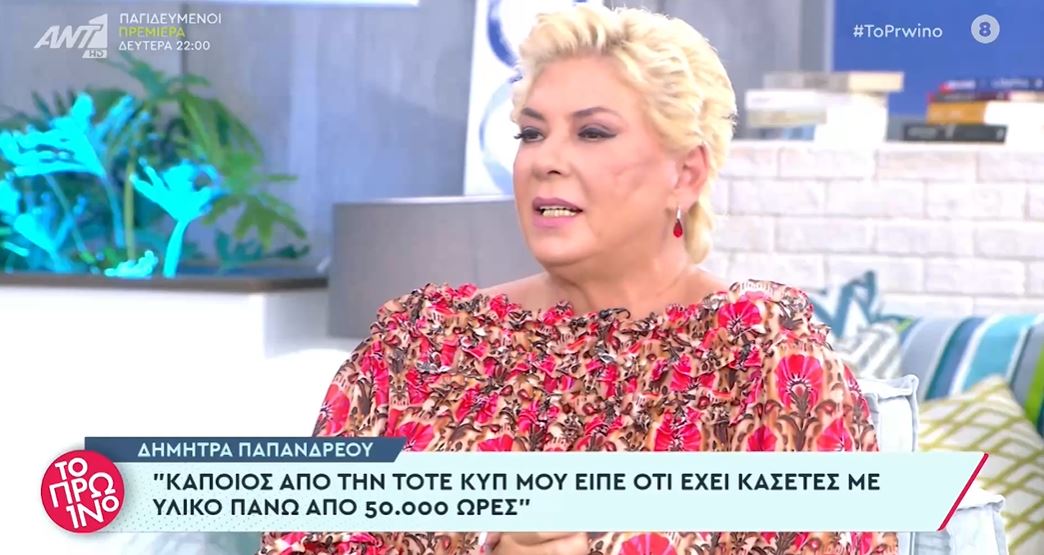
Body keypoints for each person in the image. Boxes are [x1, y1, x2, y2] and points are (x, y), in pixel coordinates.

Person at [260, 4, 897, 554]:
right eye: (531, 133)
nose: (546, 159)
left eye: (592, 132)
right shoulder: (419, 342)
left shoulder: (764, 351)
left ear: (686, 174)